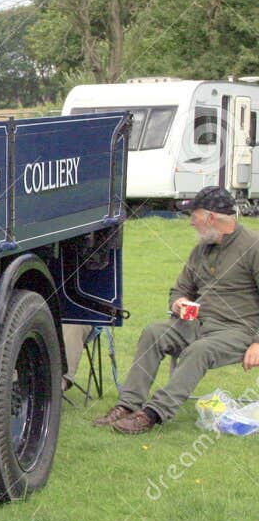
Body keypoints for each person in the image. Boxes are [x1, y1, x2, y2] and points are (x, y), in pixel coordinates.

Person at [95, 186, 259, 435]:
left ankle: (151, 415)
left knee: (199, 350)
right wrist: (178, 302)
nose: (191, 223)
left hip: (238, 331)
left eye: (194, 216)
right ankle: (127, 406)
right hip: (199, 323)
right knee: (153, 332)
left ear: (211, 218)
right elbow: (180, 288)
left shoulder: (253, 247)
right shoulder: (201, 249)